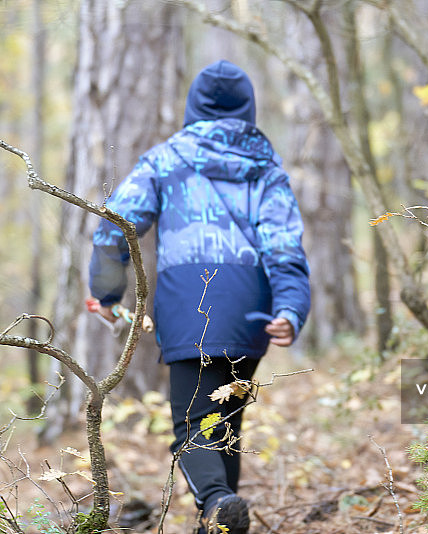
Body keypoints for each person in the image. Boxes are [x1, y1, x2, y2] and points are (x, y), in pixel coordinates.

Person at [88, 59, 310, 534]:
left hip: (189, 302)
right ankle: (220, 522)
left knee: (193, 423)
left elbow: (116, 226)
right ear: (248, 107)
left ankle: (215, 502)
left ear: (195, 105)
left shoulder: (165, 159)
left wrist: (105, 293)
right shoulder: (266, 167)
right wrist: (290, 307)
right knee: (224, 424)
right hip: (253, 308)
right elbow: (284, 245)